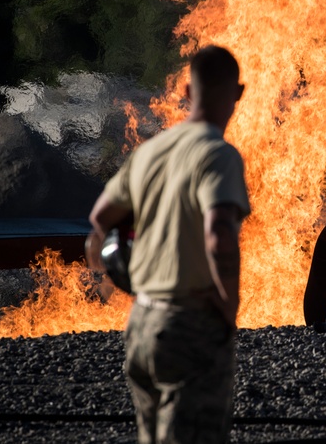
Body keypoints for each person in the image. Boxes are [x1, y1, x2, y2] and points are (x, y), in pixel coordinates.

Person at [87, 45, 250, 444]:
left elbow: (100, 220)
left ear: (188, 91)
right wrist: (228, 307)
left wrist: (121, 279)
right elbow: (219, 234)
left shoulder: (150, 152)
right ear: (238, 93)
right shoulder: (218, 155)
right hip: (189, 325)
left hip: (142, 322)